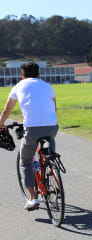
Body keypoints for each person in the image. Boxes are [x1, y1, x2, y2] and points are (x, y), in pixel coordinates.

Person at [0, 62, 58, 211]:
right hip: (52, 127)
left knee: (25, 161)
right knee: (49, 149)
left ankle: (32, 199)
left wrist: (1, 123)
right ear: (39, 74)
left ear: (22, 75)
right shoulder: (47, 86)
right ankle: (51, 163)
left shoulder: (18, 86)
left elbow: (7, 110)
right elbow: (53, 107)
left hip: (32, 129)